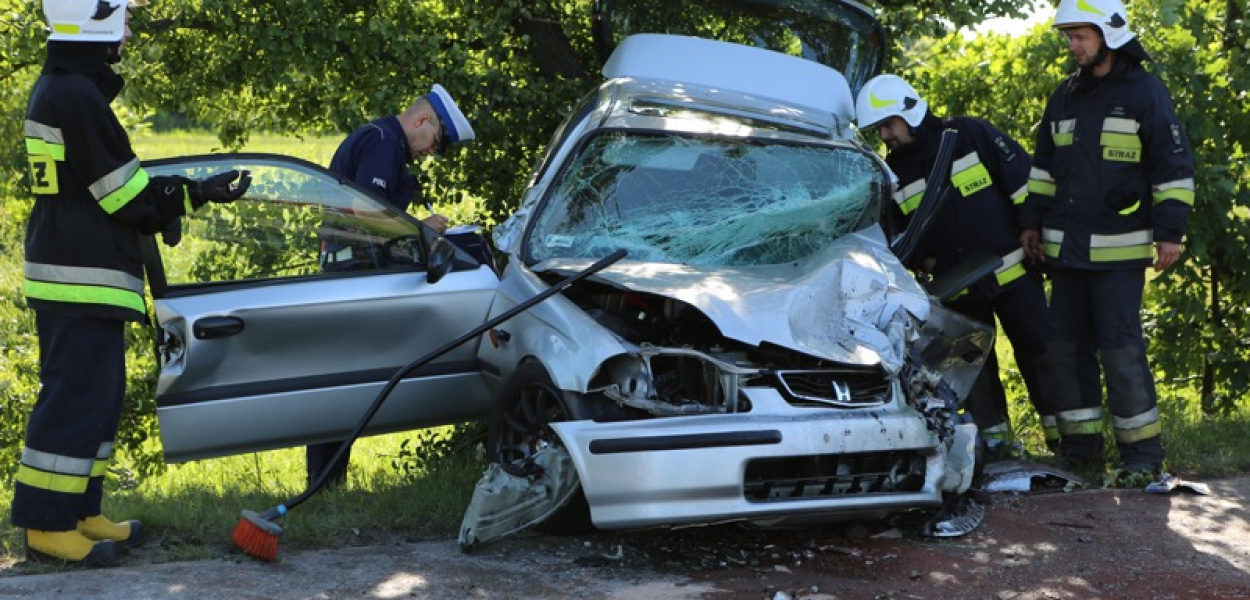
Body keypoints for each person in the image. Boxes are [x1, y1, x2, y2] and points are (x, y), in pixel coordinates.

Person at [17, 0, 250, 567]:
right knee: (75, 401)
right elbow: (121, 194)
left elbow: (107, 187)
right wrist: (192, 194)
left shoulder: (69, 87)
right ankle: (47, 527)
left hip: (82, 272)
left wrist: (173, 197)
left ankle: (80, 512)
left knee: (98, 400)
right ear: (93, 21)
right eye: (121, 15)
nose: (128, 26)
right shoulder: (75, 94)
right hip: (80, 276)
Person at [1019, 0, 1194, 477]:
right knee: (1066, 350)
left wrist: (1171, 232)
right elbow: (1042, 169)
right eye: (1069, 36)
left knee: (1120, 349)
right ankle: (1080, 456)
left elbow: (1173, 166)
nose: (1073, 45)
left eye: (1081, 35)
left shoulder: (1144, 92)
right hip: (1066, 252)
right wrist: (1032, 223)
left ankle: (1141, 457)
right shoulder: (1064, 97)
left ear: (1109, 34)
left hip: (1119, 253)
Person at [856, 74, 1058, 457]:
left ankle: (1069, 443)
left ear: (910, 113)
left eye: (888, 124)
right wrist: (930, 262)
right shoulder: (893, 175)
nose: (884, 136)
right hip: (957, 291)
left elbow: (1024, 186)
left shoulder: (970, 135)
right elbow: (897, 240)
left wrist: (1034, 229)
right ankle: (995, 448)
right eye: (878, 129)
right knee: (970, 372)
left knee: (1044, 354)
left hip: (1014, 274)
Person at [306, 84, 476, 487]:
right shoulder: (384, 142)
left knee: (343, 383)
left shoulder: (384, 143)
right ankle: (325, 483)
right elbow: (366, 212)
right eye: (437, 141)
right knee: (341, 384)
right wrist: (420, 229)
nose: (431, 152)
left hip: (349, 273)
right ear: (422, 120)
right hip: (350, 278)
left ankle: (329, 482)